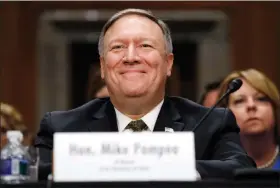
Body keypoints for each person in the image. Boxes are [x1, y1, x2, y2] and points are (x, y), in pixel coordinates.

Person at [34, 8, 255, 180]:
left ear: (168, 64)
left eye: (145, 46)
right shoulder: (61, 128)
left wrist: (169, 164)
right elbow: (32, 173)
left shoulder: (212, 123)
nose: (131, 57)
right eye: (118, 47)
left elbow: (241, 170)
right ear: (103, 66)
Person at [218, 68, 280, 169]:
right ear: (224, 113)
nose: (251, 105)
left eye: (261, 99)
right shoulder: (216, 169)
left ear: (275, 108)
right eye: (239, 101)